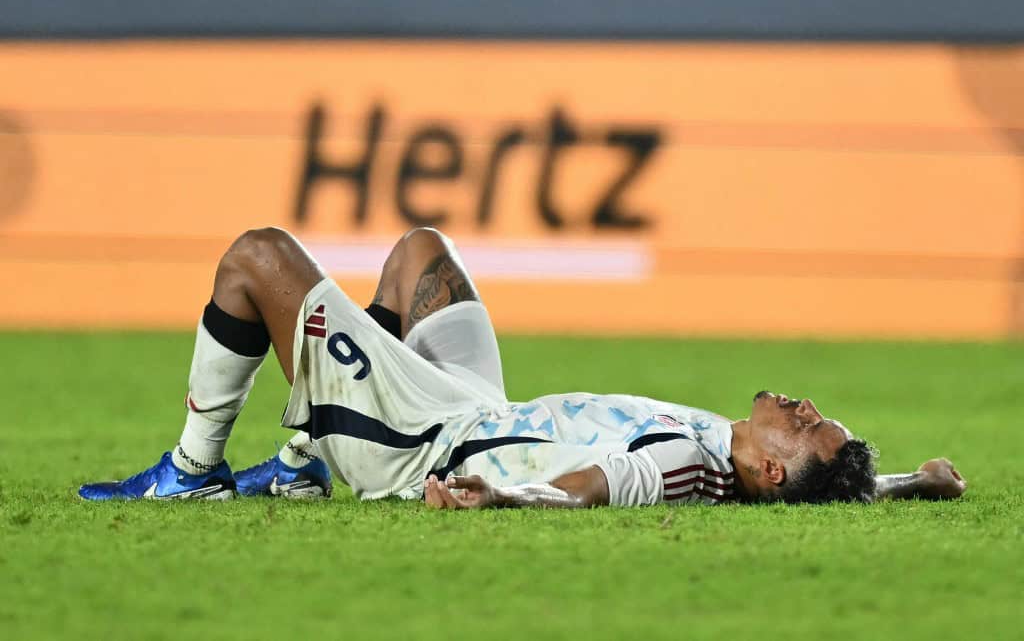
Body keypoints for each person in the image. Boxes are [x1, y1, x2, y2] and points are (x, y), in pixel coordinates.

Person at [78, 228, 967, 508]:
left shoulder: (687, 463)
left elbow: (599, 483)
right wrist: (911, 482)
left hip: (430, 440)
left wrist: (504, 498)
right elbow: (824, 487)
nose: (805, 406)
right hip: (487, 406)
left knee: (257, 257)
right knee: (421, 255)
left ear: (768, 467)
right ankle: (307, 466)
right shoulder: (763, 465)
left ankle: (192, 473)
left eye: (805, 423)